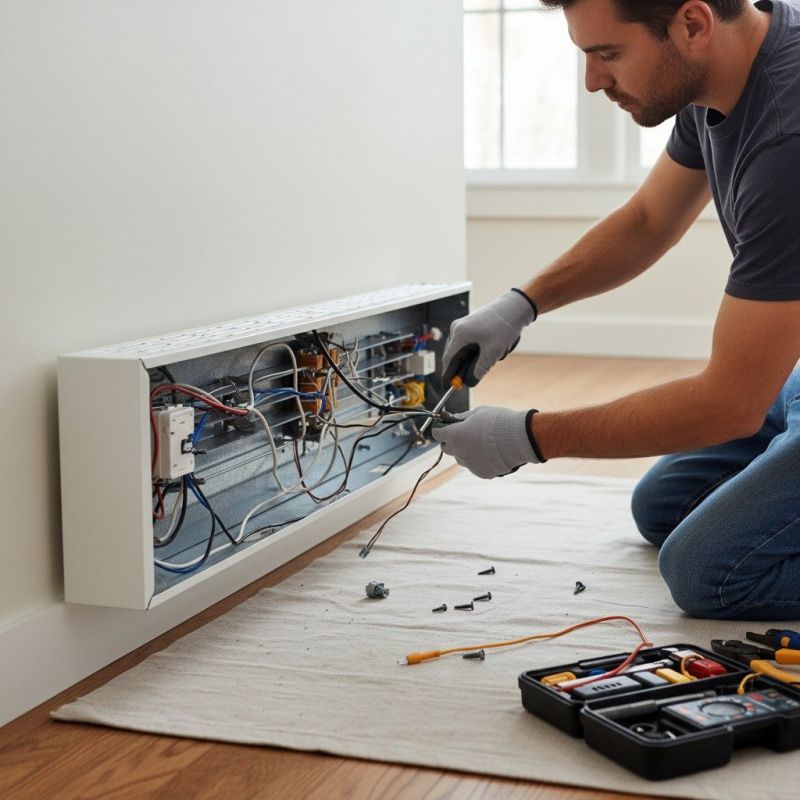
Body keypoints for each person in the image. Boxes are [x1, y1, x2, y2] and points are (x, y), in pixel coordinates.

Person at [434, 0, 800, 621]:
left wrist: (528, 437)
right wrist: (519, 307)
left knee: (706, 572)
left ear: (693, 24)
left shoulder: (788, 142)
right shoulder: (720, 77)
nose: (593, 81)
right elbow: (648, 220)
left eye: (608, 54)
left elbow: (729, 404)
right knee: (663, 505)